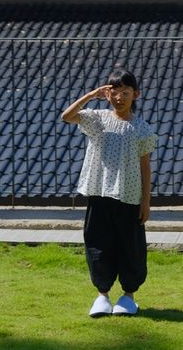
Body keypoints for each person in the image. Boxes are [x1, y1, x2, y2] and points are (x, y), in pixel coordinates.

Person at [61, 70, 157, 317]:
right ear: (108, 93)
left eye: (125, 92)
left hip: (129, 196)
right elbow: (67, 116)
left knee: (130, 247)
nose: (119, 97)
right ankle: (102, 295)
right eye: (114, 91)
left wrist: (146, 202)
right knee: (98, 244)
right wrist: (92, 95)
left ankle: (128, 297)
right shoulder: (98, 119)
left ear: (135, 95)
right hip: (99, 192)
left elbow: (145, 166)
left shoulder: (141, 129)